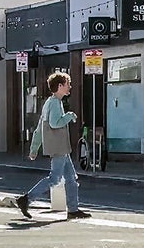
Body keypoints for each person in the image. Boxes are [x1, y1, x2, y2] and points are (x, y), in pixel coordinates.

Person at [16, 72, 92, 220]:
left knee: (71, 179)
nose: (69, 87)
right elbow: (55, 123)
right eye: (67, 84)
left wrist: (34, 148)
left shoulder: (49, 103)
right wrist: (69, 116)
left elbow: (39, 128)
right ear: (60, 86)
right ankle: (27, 199)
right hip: (58, 147)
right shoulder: (56, 103)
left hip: (60, 147)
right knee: (55, 178)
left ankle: (73, 209)